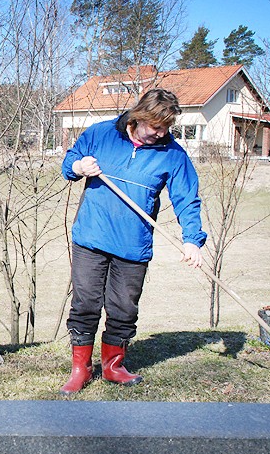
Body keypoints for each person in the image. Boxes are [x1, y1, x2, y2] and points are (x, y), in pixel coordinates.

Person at [59, 88, 206, 394]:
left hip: (133, 244)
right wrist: (79, 167)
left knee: (124, 309)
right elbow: (69, 164)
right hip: (91, 236)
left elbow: (187, 198)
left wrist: (192, 239)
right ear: (140, 117)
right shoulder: (101, 134)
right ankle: (80, 369)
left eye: (166, 127)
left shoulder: (173, 154)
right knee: (85, 304)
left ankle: (113, 367)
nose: (161, 133)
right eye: (156, 126)